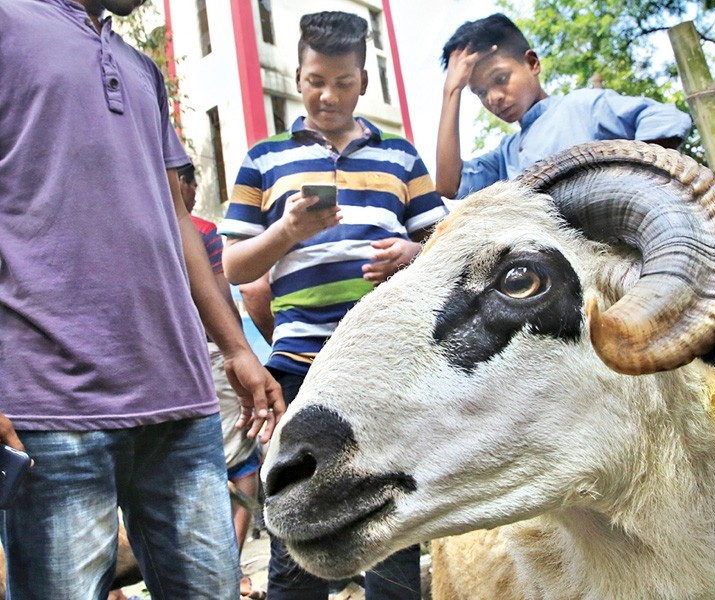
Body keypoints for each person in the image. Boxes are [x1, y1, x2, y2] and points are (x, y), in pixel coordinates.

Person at [0, 1, 285, 598]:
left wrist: (235, 348)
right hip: (53, 406)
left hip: (181, 402)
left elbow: (177, 218)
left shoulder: (141, 68)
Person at [219, 11, 447, 600]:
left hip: (389, 366)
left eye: (343, 83)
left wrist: (412, 252)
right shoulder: (263, 159)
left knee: (391, 512)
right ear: (298, 76)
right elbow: (233, 266)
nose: (329, 95)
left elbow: (446, 250)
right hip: (300, 366)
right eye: (317, 80)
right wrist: (286, 233)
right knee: (297, 512)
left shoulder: (401, 157)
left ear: (363, 81)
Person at [435, 13, 693, 199]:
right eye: (480, 92)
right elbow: (450, 185)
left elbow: (665, 118)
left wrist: (626, 185)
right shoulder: (506, 153)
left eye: (500, 79)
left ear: (532, 63)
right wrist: (451, 91)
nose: (493, 98)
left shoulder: (582, 106)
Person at [177, 163, 264, 598]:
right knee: (240, 459)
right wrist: (240, 353)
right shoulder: (200, 231)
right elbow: (222, 299)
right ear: (183, 183)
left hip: (161, 365)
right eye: (189, 184)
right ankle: (230, 568)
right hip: (209, 355)